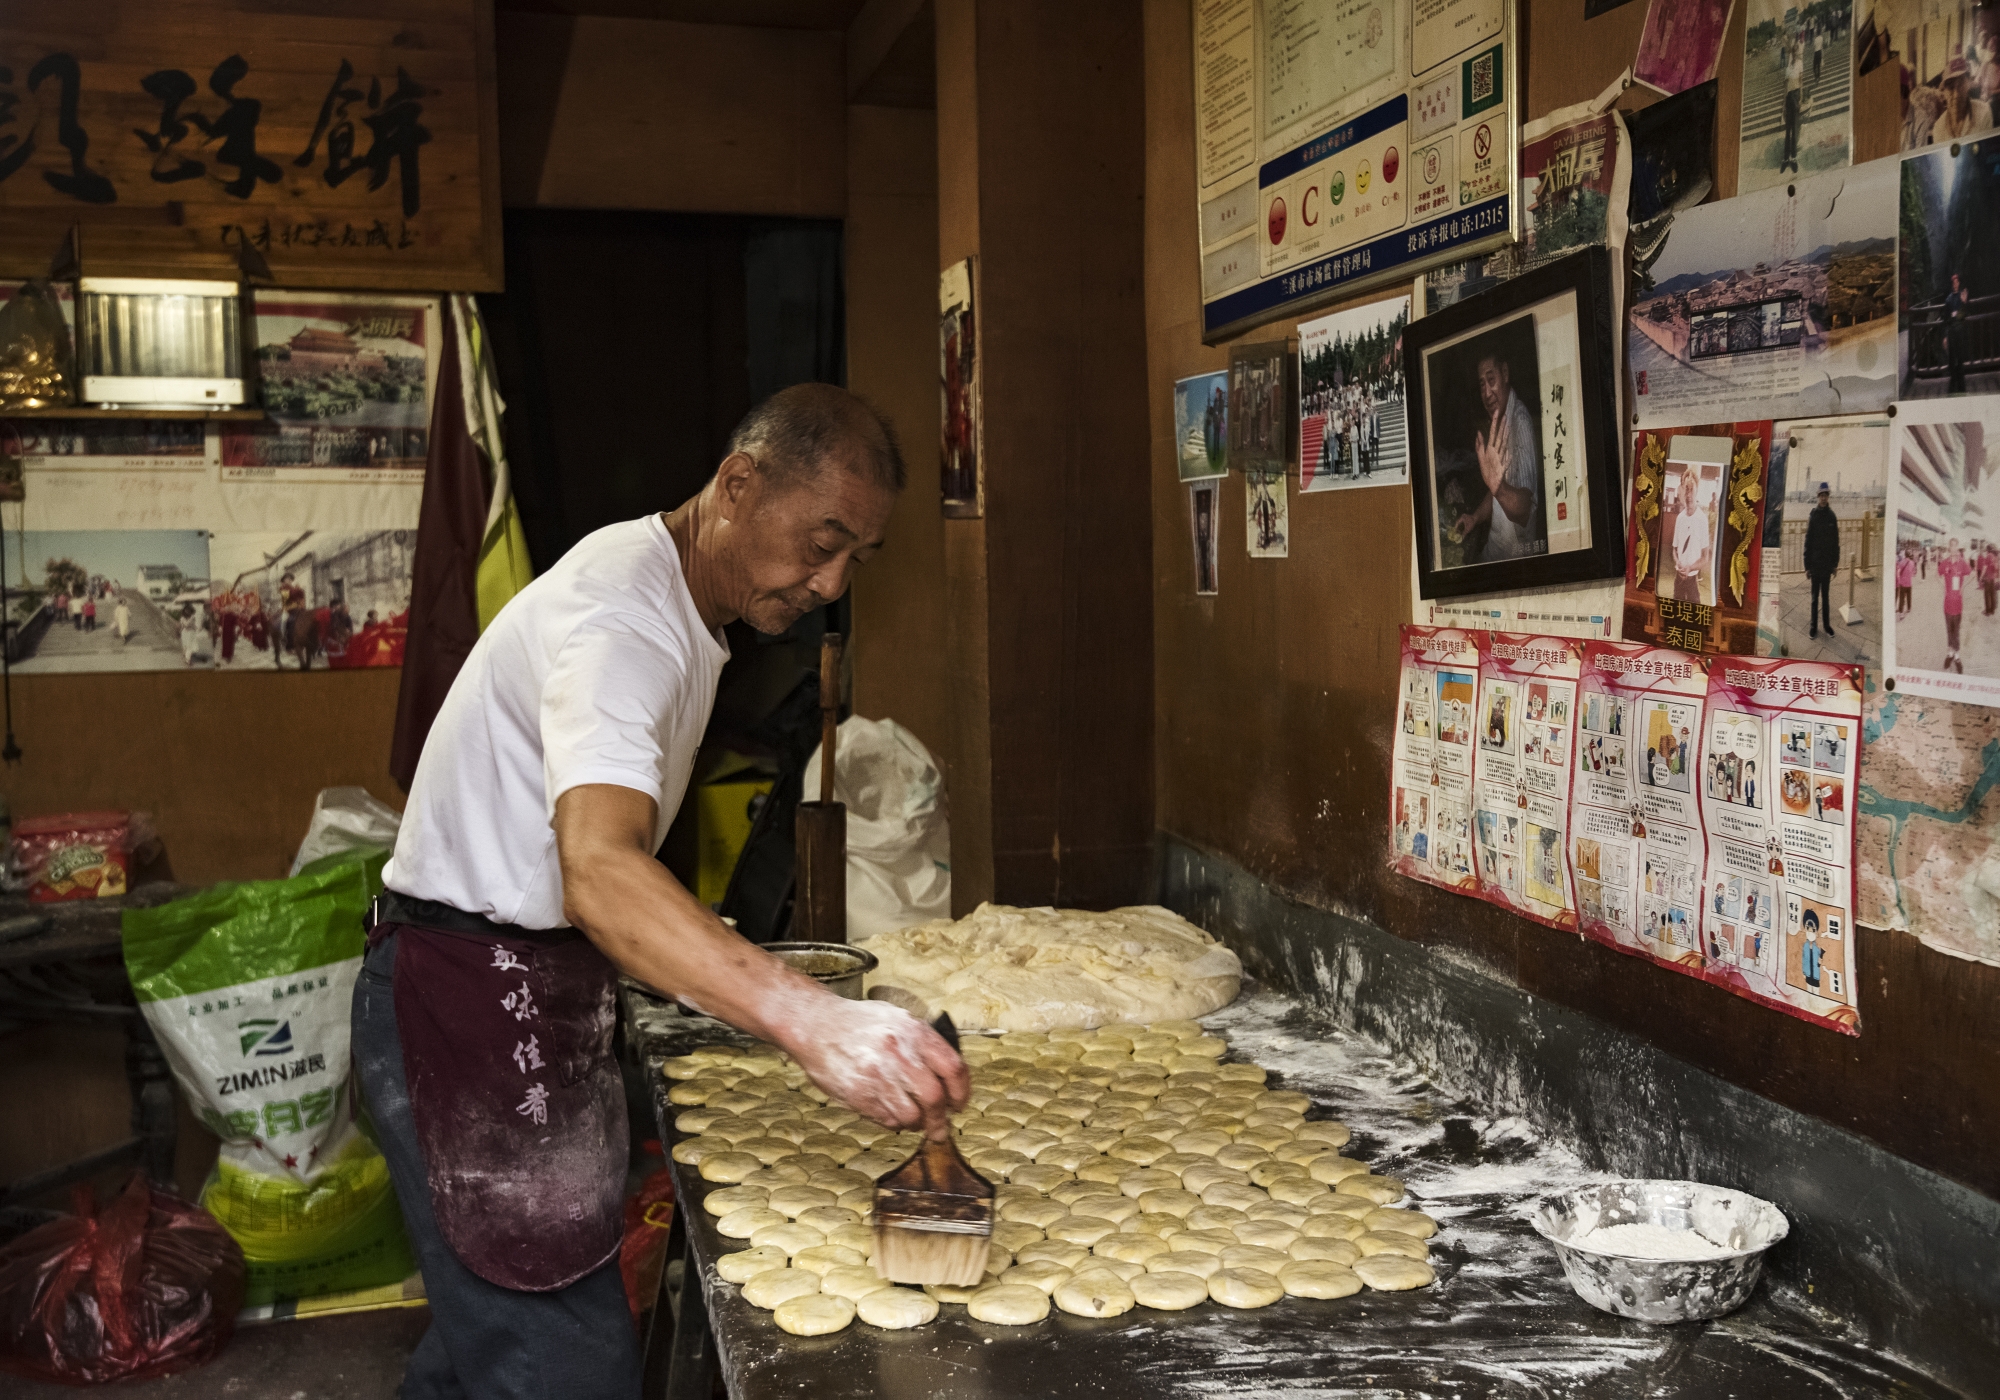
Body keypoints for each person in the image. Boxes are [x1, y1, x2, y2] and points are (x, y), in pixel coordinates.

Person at [352, 386, 965, 1400]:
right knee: (561, 1361)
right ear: (737, 484)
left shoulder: (677, 601)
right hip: (469, 996)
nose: (831, 580)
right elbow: (597, 866)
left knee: (488, 1339)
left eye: (857, 555)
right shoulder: (622, 620)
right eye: (822, 541)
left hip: (522, 979)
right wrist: (810, 1020)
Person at [1452, 351, 1543, 561]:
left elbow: (1525, 509)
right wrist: (1475, 517)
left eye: (1491, 380)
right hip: (1493, 553)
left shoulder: (1520, 422)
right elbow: (1497, 490)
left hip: (1513, 562)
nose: (1486, 392)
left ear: (1505, 373)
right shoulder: (1502, 419)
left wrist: (1498, 488)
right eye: (1481, 384)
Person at [1803, 480, 1841, 638]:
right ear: (1818, 497)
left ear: (1828, 497)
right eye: (1821, 495)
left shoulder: (1832, 516)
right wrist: (1807, 566)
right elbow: (1808, 541)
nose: (1823, 498)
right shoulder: (1814, 515)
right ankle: (1813, 627)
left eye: (1826, 495)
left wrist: (1834, 565)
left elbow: (1836, 543)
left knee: (1825, 598)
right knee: (1814, 598)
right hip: (1815, 563)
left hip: (1826, 565)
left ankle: (1826, 626)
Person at [1940, 537, 1972, 671]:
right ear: (1949, 548)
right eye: (1951, 546)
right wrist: (1943, 588)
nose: (1953, 548)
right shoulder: (1945, 563)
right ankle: (1950, 654)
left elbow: (1972, 574)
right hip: (1947, 602)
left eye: (1955, 546)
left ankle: (1957, 656)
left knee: (1956, 631)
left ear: (1957, 548)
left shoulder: (1962, 563)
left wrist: (1963, 588)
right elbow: (1938, 574)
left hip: (1958, 603)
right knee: (1949, 630)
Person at [1944, 271, 1970, 396]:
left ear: (1959, 283)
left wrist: (1964, 303)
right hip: (1951, 332)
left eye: (1957, 282)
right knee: (1952, 359)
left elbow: (1962, 316)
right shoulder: (1948, 299)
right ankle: (1952, 385)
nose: (1955, 284)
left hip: (1960, 331)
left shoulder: (1961, 296)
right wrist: (1945, 336)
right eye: (1953, 282)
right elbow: (1946, 319)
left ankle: (1962, 386)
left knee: (1960, 359)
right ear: (1951, 284)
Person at [1782, 38, 1806, 174]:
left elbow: (1801, 83)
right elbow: (1785, 88)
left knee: (1795, 128)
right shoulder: (1787, 68)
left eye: (1796, 51)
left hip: (1796, 96)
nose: (1794, 53)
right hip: (1788, 98)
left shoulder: (1800, 64)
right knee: (1788, 131)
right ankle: (1785, 160)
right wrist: (1783, 104)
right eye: (1792, 51)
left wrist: (1801, 98)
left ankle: (1794, 158)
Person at [1799, 909, 1824, 991]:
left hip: (1816, 976)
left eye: (1812, 930)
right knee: (1809, 990)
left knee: (1816, 992)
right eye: (1808, 929)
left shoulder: (1817, 947)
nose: (1810, 932)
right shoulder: (1805, 946)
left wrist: (1820, 961)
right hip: (1808, 975)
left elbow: (1818, 963)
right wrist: (1804, 972)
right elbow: (1804, 959)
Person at [1896, 547, 1916, 615]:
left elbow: (1898, 572)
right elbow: (1913, 573)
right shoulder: (1912, 563)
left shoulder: (1901, 562)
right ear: (1910, 555)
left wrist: (1899, 579)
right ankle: (1909, 608)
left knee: (1902, 597)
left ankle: (1901, 612)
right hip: (1909, 583)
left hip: (1902, 583)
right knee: (1909, 596)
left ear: (1904, 554)